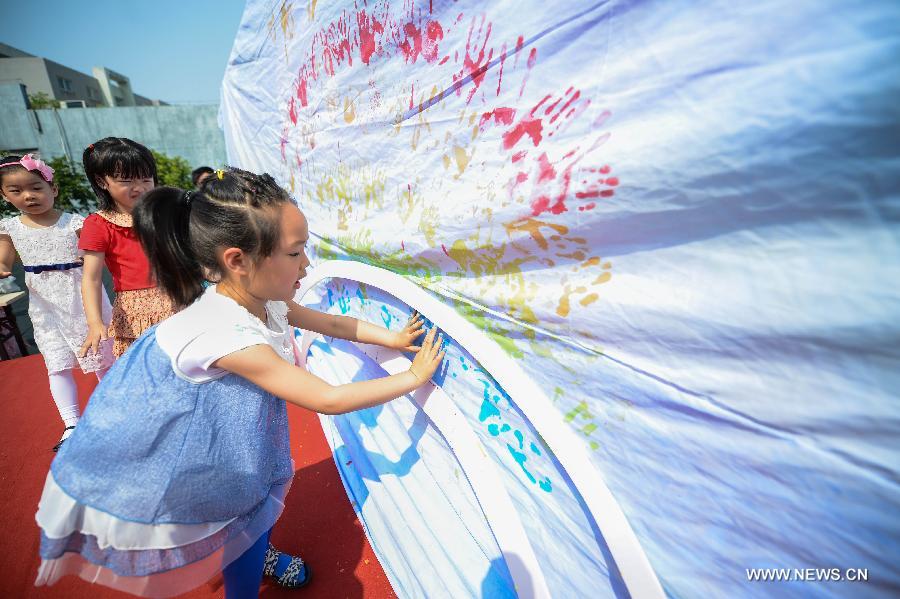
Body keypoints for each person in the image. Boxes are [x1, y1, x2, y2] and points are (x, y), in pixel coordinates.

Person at [34, 167, 445, 598]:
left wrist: (393, 338)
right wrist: (412, 376)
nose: (307, 264)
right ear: (238, 260)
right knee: (239, 517)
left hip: (223, 429)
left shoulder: (260, 298)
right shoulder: (229, 335)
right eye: (295, 252)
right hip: (188, 446)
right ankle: (243, 566)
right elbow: (328, 397)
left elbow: (329, 322)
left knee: (249, 506)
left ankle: (246, 547)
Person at [0, 154, 112, 451]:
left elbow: (97, 254)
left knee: (102, 356)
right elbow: (4, 257)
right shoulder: (9, 228)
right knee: (56, 363)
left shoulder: (75, 222)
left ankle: (117, 410)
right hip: (44, 305)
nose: (28, 196)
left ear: (54, 189)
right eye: (16, 191)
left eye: (36, 187)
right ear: (4, 195)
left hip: (83, 297)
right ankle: (71, 422)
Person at [78, 137, 176, 358]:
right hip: (135, 312)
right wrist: (95, 323)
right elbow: (91, 278)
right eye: (127, 181)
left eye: (146, 179)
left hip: (179, 299)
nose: (139, 188)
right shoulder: (98, 224)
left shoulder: (165, 213)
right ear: (102, 181)